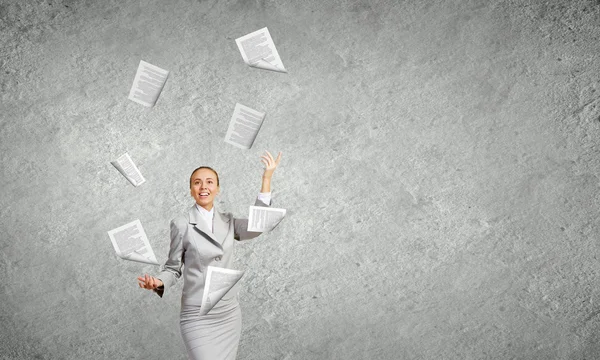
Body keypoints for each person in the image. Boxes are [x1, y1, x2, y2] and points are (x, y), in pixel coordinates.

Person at [137, 150, 282, 360]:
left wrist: (266, 178)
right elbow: (172, 268)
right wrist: (157, 282)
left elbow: (258, 226)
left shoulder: (229, 221)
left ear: (217, 189)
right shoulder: (181, 223)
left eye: (209, 182)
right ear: (191, 190)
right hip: (197, 314)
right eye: (197, 182)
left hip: (228, 312)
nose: (203, 187)